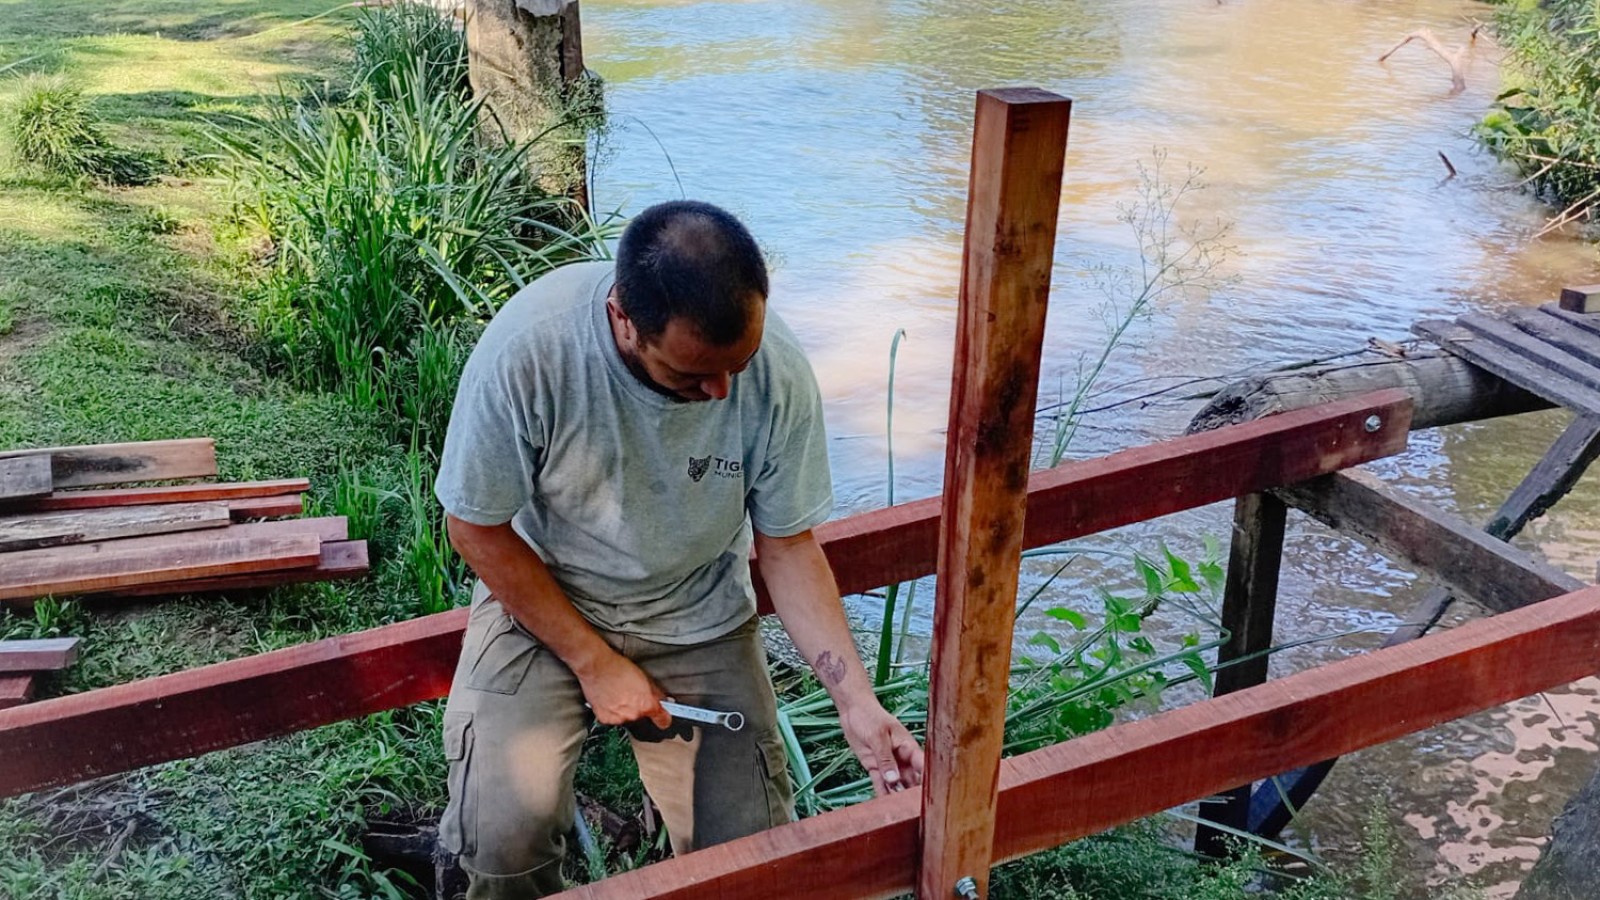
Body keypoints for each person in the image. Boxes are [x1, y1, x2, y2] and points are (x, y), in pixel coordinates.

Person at [433, 200, 925, 898]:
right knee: (498, 840)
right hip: (542, 604)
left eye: (738, 365)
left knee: (754, 865)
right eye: (692, 376)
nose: (722, 390)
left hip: (700, 612)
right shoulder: (531, 349)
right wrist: (593, 661)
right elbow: (474, 528)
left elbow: (787, 547)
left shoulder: (776, 373)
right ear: (623, 321)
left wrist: (855, 703)